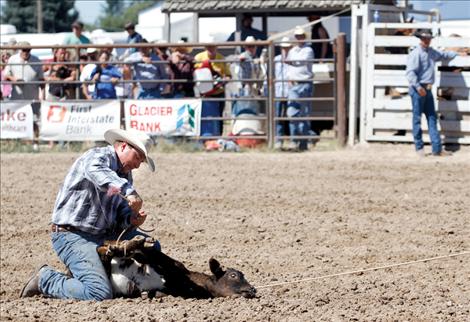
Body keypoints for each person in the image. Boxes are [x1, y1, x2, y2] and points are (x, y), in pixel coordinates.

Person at [19, 128, 158, 300]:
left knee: (152, 246)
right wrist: (128, 190)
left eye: (142, 161)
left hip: (100, 234)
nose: (138, 165)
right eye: (138, 157)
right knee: (98, 293)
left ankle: (129, 282)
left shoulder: (124, 175)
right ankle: (46, 279)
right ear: (123, 146)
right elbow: (96, 171)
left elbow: (119, 215)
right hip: (72, 235)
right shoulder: (97, 156)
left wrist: (131, 219)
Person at [406, 29, 463, 157]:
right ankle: (419, 148)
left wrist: (457, 52)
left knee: (431, 118)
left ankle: (436, 149)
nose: (427, 40)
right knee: (418, 118)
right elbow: (410, 72)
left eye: (429, 38)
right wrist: (418, 87)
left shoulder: (431, 52)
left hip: (427, 89)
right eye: (425, 38)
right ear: (421, 39)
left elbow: (444, 55)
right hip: (419, 89)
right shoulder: (416, 54)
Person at [285, 27, 315, 151]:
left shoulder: (308, 50)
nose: (299, 38)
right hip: (294, 83)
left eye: (301, 35)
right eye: (297, 36)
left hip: (304, 83)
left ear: (304, 36)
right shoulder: (293, 50)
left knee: (304, 113)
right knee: (292, 112)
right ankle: (294, 140)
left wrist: (290, 62)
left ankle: (303, 142)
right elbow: (290, 63)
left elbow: (298, 62)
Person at [194, 38, 231, 137]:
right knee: (205, 114)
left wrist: (224, 79)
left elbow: (228, 75)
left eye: (212, 46)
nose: (210, 48)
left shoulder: (221, 58)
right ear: (205, 47)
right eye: (208, 46)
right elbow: (195, 72)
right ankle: (205, 135)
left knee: (219, 114)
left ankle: (218, 135)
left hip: (219, 91)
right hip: (205, 92)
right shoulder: (199, 57)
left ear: (216, 47)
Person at [273, 37, 292, 150]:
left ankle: (292, 139)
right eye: (284, 48)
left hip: (289, 91)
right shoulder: (276, 60)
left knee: (292, 116)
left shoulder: (294, 60)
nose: (285, 50)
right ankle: (278, 140)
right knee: (279, 116)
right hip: (279, 91)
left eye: (287, 47)